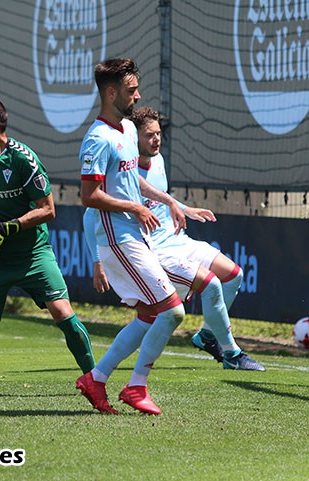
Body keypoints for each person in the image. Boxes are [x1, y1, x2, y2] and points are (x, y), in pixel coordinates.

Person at [82, 107, 264, 379]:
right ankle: (232, 354)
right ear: (134, 139)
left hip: (178, 240)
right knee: (176, 304)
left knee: (233, 276)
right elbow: (90, 213)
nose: (156, 140)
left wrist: (185, 208)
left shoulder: (159, 162)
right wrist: (97, 262)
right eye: (149, 135)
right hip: (153, 250)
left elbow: (162, 197)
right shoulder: (120, 169)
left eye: (158, 134)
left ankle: (206, 336)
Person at [0, 97, 95, 378]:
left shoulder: (23, 160)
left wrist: (6, 229)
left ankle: (94, 381)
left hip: (31, 254)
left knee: (64, 315)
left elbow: (48, 210)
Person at [76, 59, 187, 415]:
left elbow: (129, 179)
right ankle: (136, 385)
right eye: (131, 90)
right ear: (112, 92)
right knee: (172, 311)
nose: (137, 95)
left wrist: (163, 199)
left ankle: (97, 377)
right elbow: (89, 196)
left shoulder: (126, 127)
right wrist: (136, 208)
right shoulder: (97, 138)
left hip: (136, 234)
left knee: (150, 315)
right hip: (117, 238)